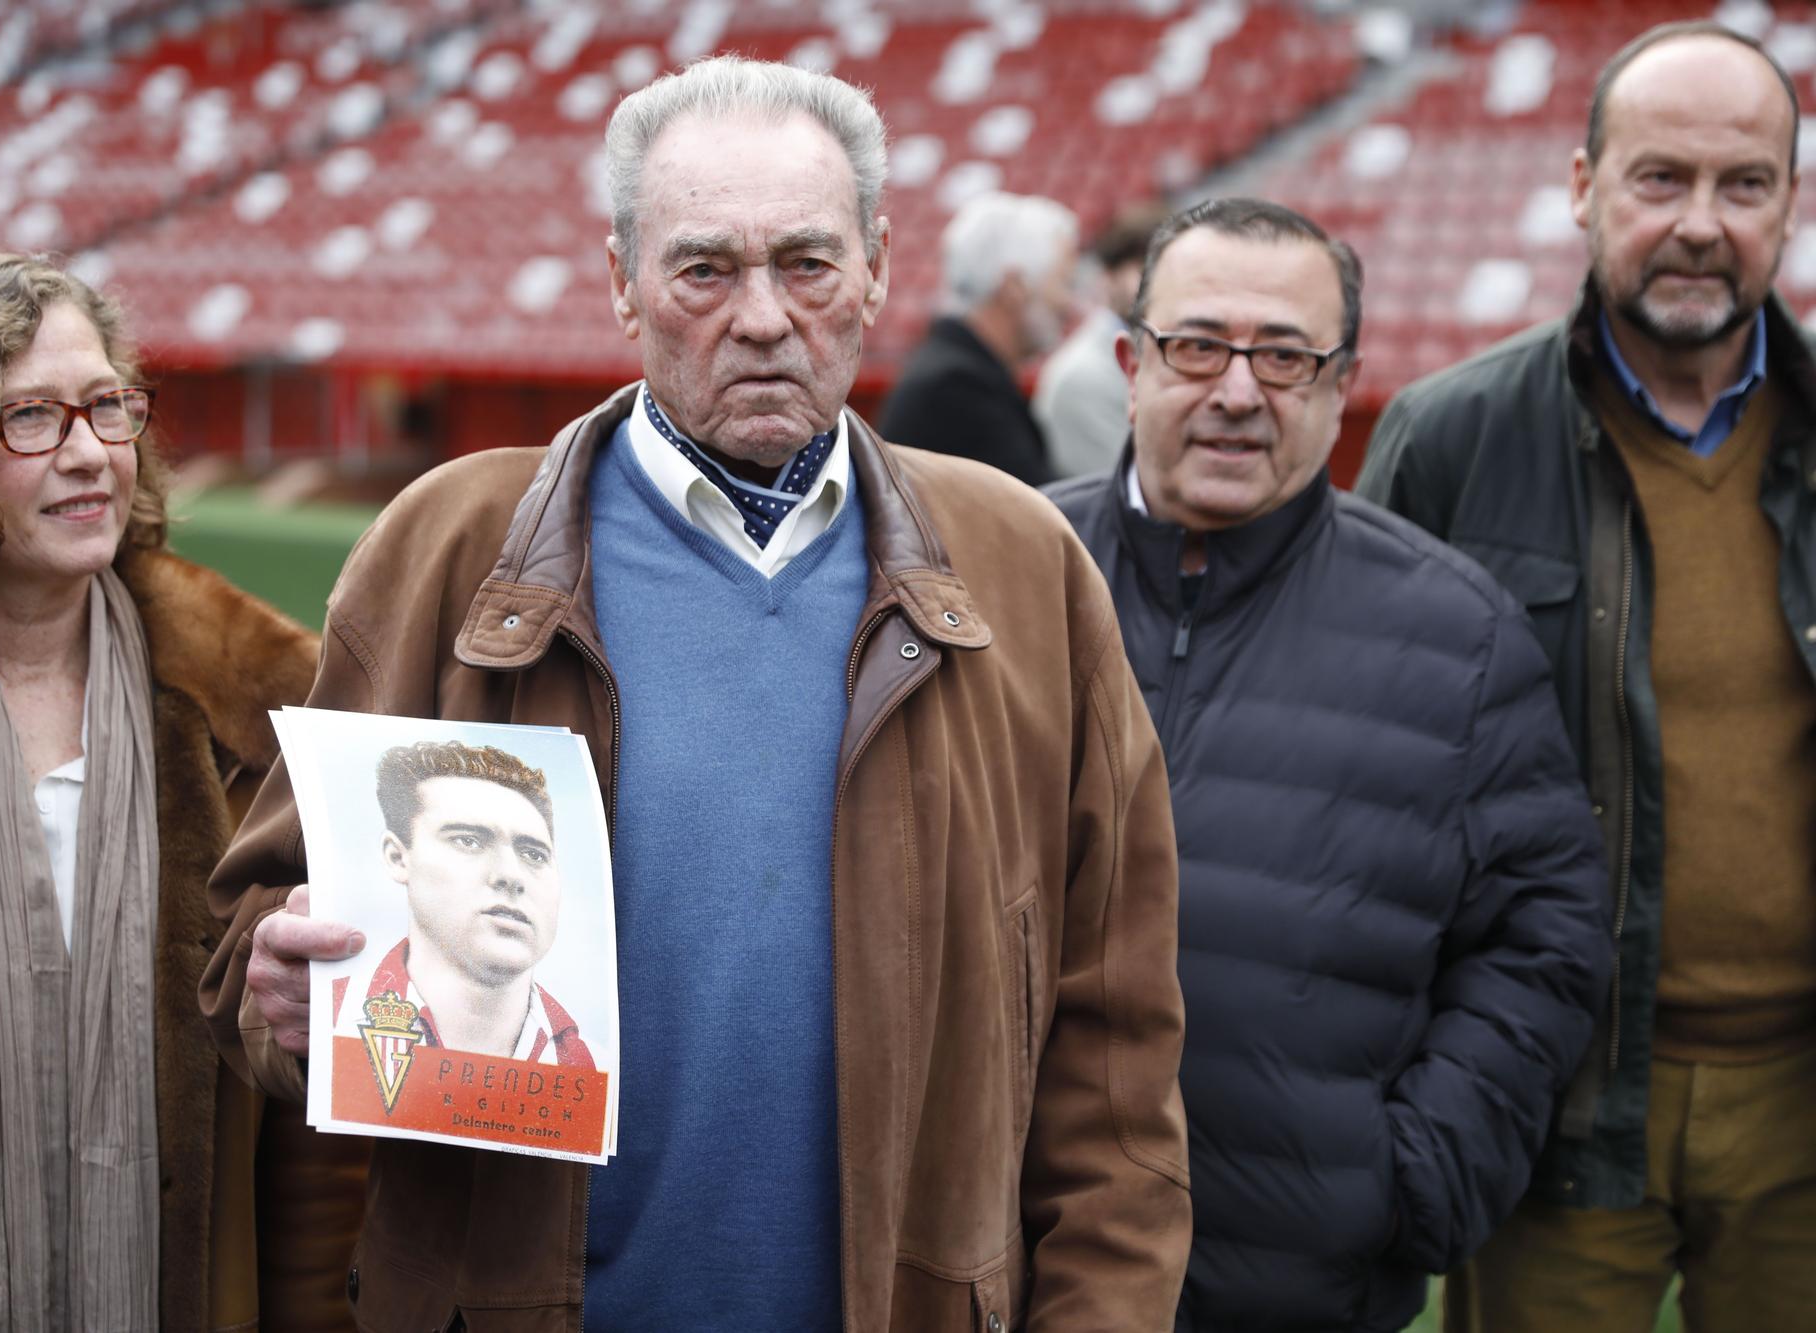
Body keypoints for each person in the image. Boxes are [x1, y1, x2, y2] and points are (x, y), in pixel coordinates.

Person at [202, 55, 1190, 1332]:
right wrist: (283, 989)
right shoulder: (445, 549)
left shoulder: (1020, 564)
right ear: (622, 281)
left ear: (877, 266)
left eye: (807, 263)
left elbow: (1114, 1055)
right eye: (705, 269)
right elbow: (248, 953)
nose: (765, 316)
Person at [1046, 198, 1610, 1332]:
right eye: (1197, 346)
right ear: (1130, 363)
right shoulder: (1002, 580)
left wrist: (1406, 1182)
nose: (1238, 392)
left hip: (1296, 1287)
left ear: (1340, 379)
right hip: (1016, 1269)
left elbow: (1545, 935)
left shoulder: (1456, 632)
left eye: (1285, 357)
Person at [1356, 21, 1816, 1330]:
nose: (1700, 225)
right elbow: (1374, 776)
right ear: (1580, 187)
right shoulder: (1448, 439)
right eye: (1659, 179)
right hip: (1552, 1099)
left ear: (1790, 203)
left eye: (1745, 185)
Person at [0, 254, 364, 1331]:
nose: (87, 454)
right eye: (27, 416)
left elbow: (325, 1169)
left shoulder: (266, 720)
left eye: (106, 406)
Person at [345, 739, 595, 1067]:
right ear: (397, 857)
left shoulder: (596, 1064)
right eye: (468, 840)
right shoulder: (327, 1015)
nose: (511, 875)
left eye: (533, 854)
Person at [877, 190, 1078, 487]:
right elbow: (1041, 510)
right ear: (1014, 288)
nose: (1068, 303)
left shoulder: (955, 371)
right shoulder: (957, 389)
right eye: (1063, 282)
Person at [1034, 203, 1162, 478]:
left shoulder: (1178, 347)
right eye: (1144, 269)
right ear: (1108, 277)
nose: (1161, 283)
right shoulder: (1080, 378)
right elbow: (1128, 490)